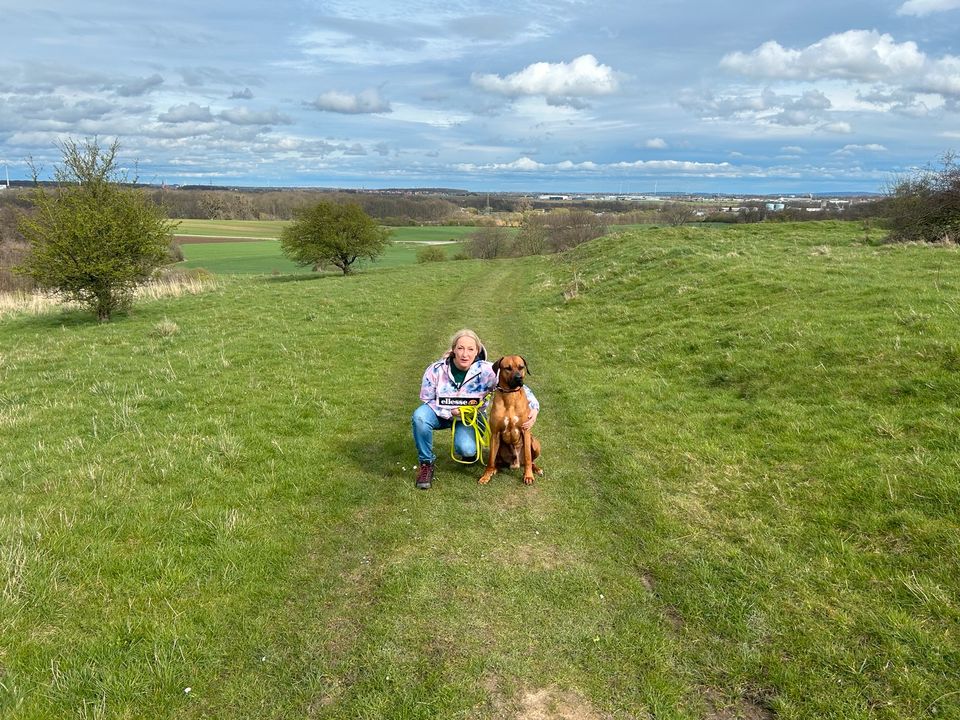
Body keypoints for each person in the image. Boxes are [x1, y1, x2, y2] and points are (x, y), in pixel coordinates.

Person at [412, 329, 539, 490]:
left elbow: (520, 387)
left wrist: (534, 408)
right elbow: (426, 398)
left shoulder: (486, 371)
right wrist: (449, 412)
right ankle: (426, 463)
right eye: (460, 348)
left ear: (477, 351)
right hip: (440, 414)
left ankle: (467, 450)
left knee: (467, 449)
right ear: (454, 349)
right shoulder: (435, 370)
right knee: (419, 417)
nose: (465, 354)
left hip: (469, 419)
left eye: (470, 349)